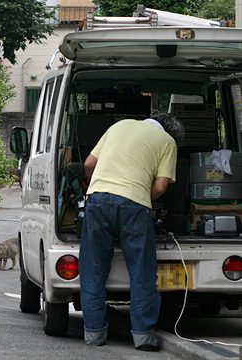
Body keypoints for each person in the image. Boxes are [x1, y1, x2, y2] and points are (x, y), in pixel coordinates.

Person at [79, 113, 184, 351]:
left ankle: (94, 334)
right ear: (169, 133)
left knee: (93, 268)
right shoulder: (167, 142)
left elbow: (88, 164)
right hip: (135, 206)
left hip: (97, 200)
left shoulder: (119, 125)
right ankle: (142, 336)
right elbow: (160, 186)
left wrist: (93, 184)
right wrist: (137, 198)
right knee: (141, 270)